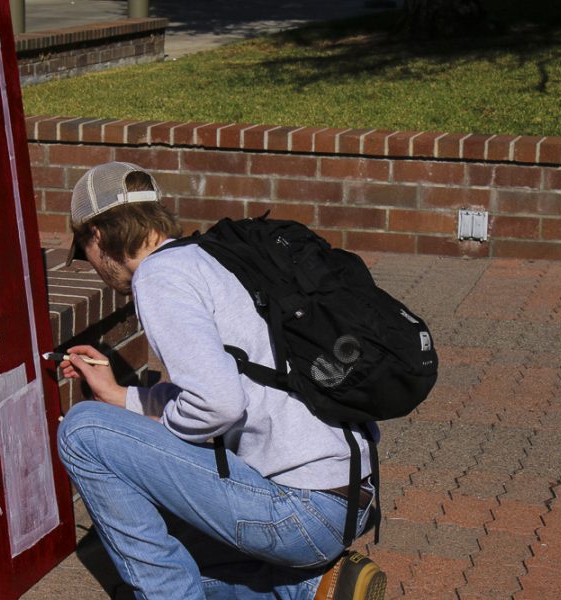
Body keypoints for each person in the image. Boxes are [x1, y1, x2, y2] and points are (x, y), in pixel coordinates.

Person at [55, 161, 386, 600]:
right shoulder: (208, 256)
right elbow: (227, 385)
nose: (92, 266)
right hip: (351, 498)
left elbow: (218, 403)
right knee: (180, 560)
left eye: (84, 253)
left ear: (96, 236)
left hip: (301, 513)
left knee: (82, 431)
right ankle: (310, 588)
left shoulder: (158, 278)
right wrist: (121, 395)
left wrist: (160, 443)